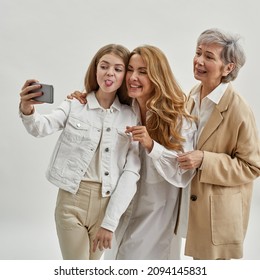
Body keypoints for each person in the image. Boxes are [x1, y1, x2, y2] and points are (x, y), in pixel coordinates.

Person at [68, 45, 197, 259]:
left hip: (157, 213)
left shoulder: (177, 116)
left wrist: (151, 146)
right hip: (120, 207)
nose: (132, 77)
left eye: (143, 71)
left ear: (157, 75)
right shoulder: (126, 108)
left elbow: (184, 172)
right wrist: (82, 99)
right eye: (130, 69)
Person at [19, 44, 141, 260]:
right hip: (72, 201)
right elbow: (41, 127)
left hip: (107, 204)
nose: (109, 73)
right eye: (104, 66)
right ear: (95, 70)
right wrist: (27, 108)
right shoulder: (75, 104)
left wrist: (110, 223)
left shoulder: (130, 116)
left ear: (124, 75)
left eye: (118, 69)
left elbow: (131, 172)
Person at [177, 28, 260, 260]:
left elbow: (252, 166)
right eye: (198, 52)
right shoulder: (193, 94)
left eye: (209, 57)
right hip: (194, 206)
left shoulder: (239, 110)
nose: (199, 61)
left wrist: (204, 159)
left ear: (229, 68)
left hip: (219, 215)